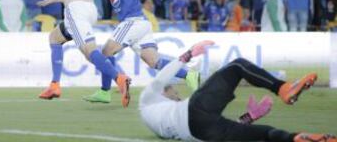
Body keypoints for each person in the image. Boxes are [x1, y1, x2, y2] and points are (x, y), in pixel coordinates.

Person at [38, 0, 200, 104]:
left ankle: (105, 91)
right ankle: (189, 75)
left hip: (134, 22)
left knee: (106, 51)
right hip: (141, 25)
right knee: (153, 61)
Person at [139, 41, 335, 142]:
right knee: (238, 66)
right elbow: (159, 78)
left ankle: (298, 138)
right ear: (163, 92)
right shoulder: (146, 101)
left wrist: (249, 117)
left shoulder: (161, 121)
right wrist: (188, 54)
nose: (175, 92)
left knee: (265, 134)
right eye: (172, 89)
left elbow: (212, 124)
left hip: (204, 134)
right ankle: (283, 88)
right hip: (196, 114)